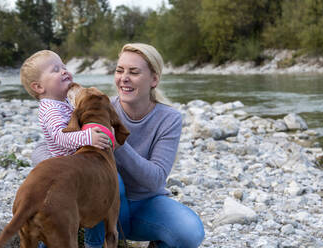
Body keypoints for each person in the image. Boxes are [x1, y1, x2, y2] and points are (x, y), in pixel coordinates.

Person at [31, 44, 205, 248]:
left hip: (145, 206)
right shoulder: (101, 106)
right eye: (119, 70)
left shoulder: (169, 118)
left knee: (190, 233)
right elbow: (46, 146)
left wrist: (118, 144)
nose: (124, 78)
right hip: (99, 208)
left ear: (154, 80)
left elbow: (156, 179)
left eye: (134, 72)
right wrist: (64, 170)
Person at [20, 50, 111, 163]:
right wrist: (87, 137)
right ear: (39, 87)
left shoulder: (63, 100)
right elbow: (60, 137)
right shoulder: (51, 109)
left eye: (64, 67)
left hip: (77, 156)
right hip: (68, 163)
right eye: (56, 70)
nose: (64, 71)